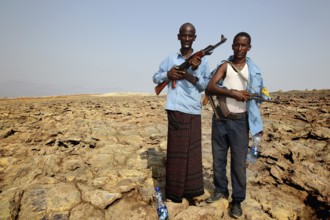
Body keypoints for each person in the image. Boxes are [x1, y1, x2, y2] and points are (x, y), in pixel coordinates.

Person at [205, 32, 267, 218]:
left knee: (238, 164)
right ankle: (220, 190)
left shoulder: (254, 70)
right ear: (232, 46)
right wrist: (234, 93)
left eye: (243, 45)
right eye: (236, 45)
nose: (239, 49)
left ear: (249, 48)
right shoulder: (225, 66)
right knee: (218, 160)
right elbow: (210, 87)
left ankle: (237, 200)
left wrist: (257, 121)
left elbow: (260, 96)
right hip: (220, 120)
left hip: (241, 123)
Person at [153, 22, 210, 203]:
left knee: (192, 152)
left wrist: (191, 71)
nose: (187, 39)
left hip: (193, 109)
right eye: (184, 35)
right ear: (179, 37)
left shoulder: (203, 61)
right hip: (176, 109)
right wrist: (167, 75)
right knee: (176, 153)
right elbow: (155, 77)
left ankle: (192, 190)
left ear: (195, 38)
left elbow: (204, 85)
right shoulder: (171, 59)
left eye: (190, 35)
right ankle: (174, 193)